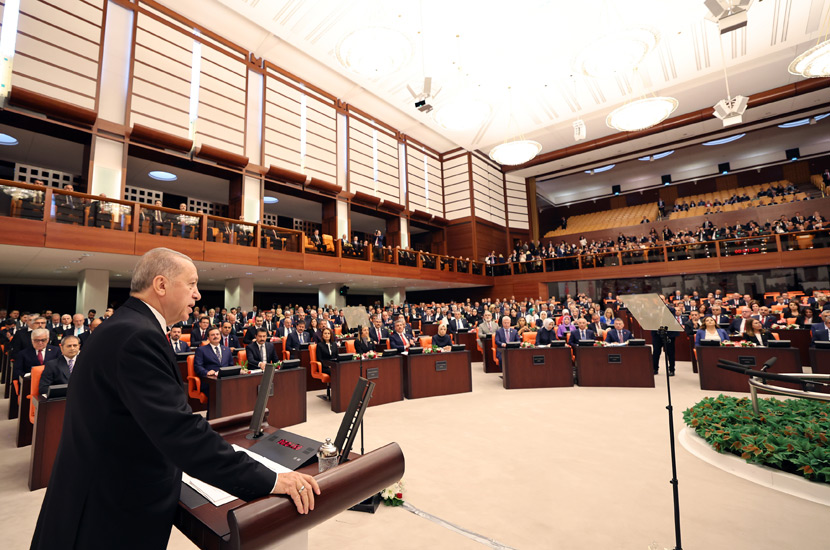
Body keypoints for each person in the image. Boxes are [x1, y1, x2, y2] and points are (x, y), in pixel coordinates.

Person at [31, 247, 320, 550]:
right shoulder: (136, 337)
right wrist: (271, 480)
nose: (197, 295)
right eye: (192, 284)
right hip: (106, 512)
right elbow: (179, 431)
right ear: (161, 285)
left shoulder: (129, 326)